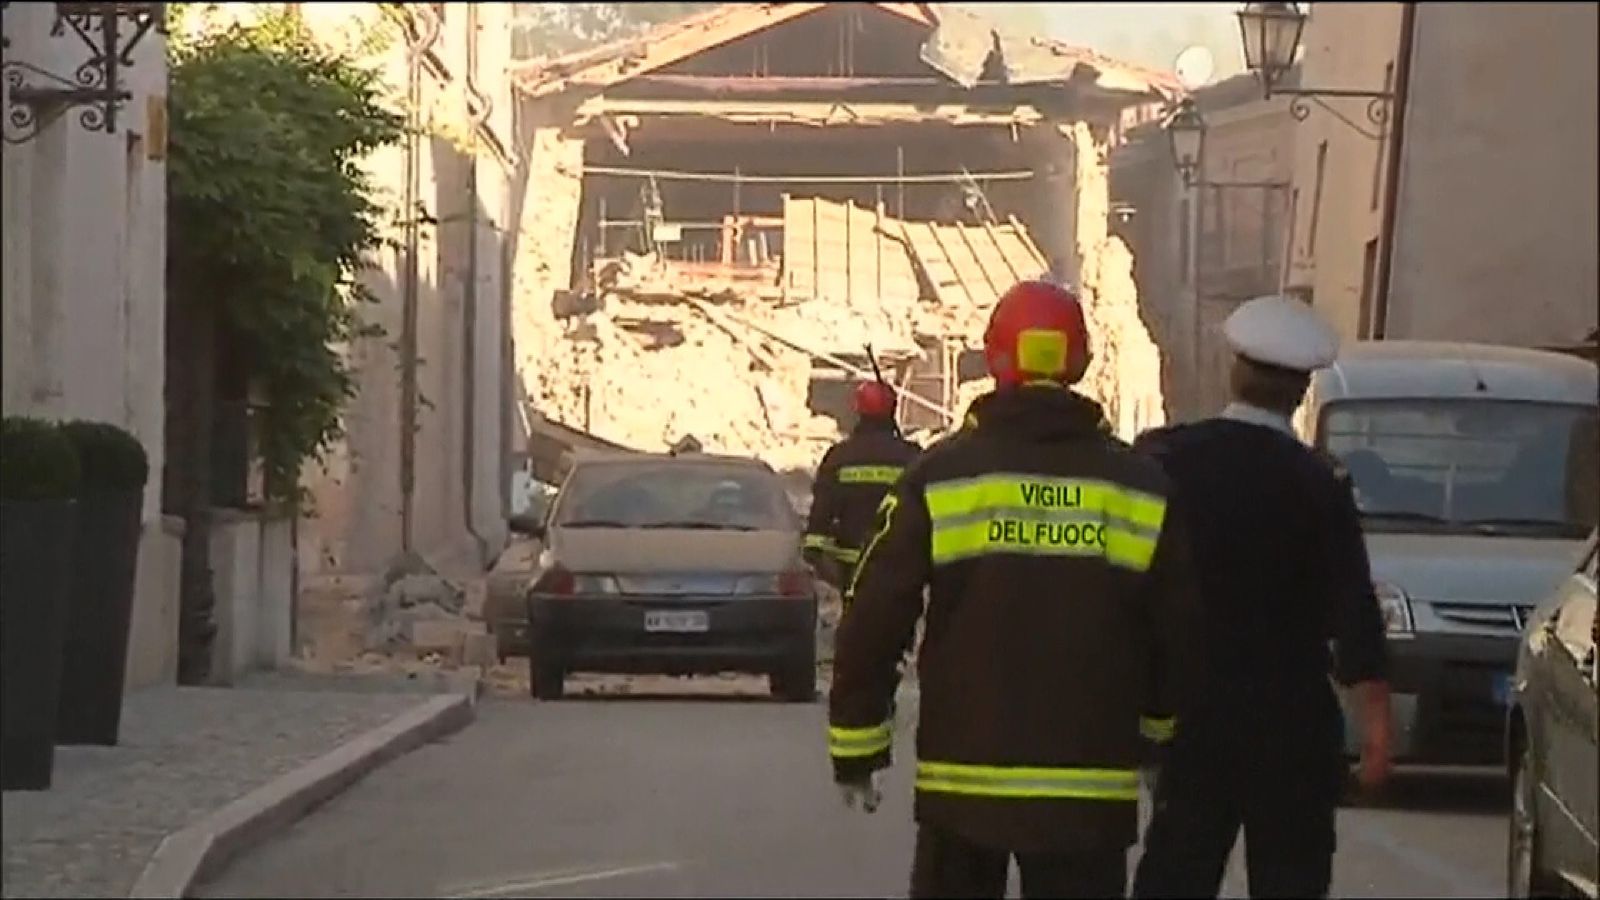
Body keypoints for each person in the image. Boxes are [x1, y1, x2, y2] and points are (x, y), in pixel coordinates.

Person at [827, 280, 1203, 899]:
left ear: (995, 358)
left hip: (963, 782)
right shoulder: (1141, 486)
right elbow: (1176, 631)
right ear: (1080, 362)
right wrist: (1159, 740)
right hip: (1090, 788)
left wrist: (857, 744)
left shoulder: (942, 475)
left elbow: (876, 612)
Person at [1130, 294, 1394, 900]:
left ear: (1233, 372)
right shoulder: (1318, 484)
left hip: (1189, 715)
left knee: (1176, 872)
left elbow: (1127, 587)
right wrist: (1376, 731)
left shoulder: (1165, 460)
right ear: (1300, 392)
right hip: (1291, 723)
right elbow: (1355, 614)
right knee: (1292, 879)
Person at [802, 381, 920, 595]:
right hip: (899, 563)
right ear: (893, 410)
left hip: (849, 566)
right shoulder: (911, 456)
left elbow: (822, 512)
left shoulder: (839, 456)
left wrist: (816, 553)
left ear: (858, 410)